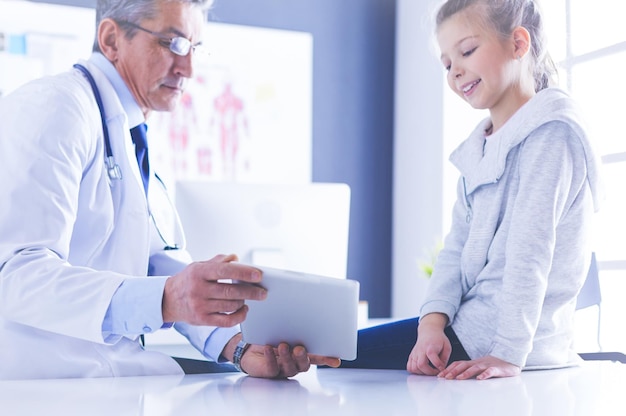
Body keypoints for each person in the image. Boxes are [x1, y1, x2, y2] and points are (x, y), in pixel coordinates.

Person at [0, 0, 339, 380]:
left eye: (194, 48)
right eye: (172, 44)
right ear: (111, 39)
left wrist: (240, 347)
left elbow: (159, 262)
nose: (188, 68)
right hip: (47, 387)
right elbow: (14, 274)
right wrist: (166, 299)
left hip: (119, 384)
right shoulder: (55, 108)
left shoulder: (130, 135)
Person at [334, 0, 602, 379]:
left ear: (518, 44)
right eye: (446, 64)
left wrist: (507, 354)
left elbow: (531, 251)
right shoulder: (477, 151)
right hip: (469, 330)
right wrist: (431, 323)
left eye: (467, 51)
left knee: (334, 358)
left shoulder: (551, 134)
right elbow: (455, 251)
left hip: (509, 343)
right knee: (332, 353)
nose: (455, 71)